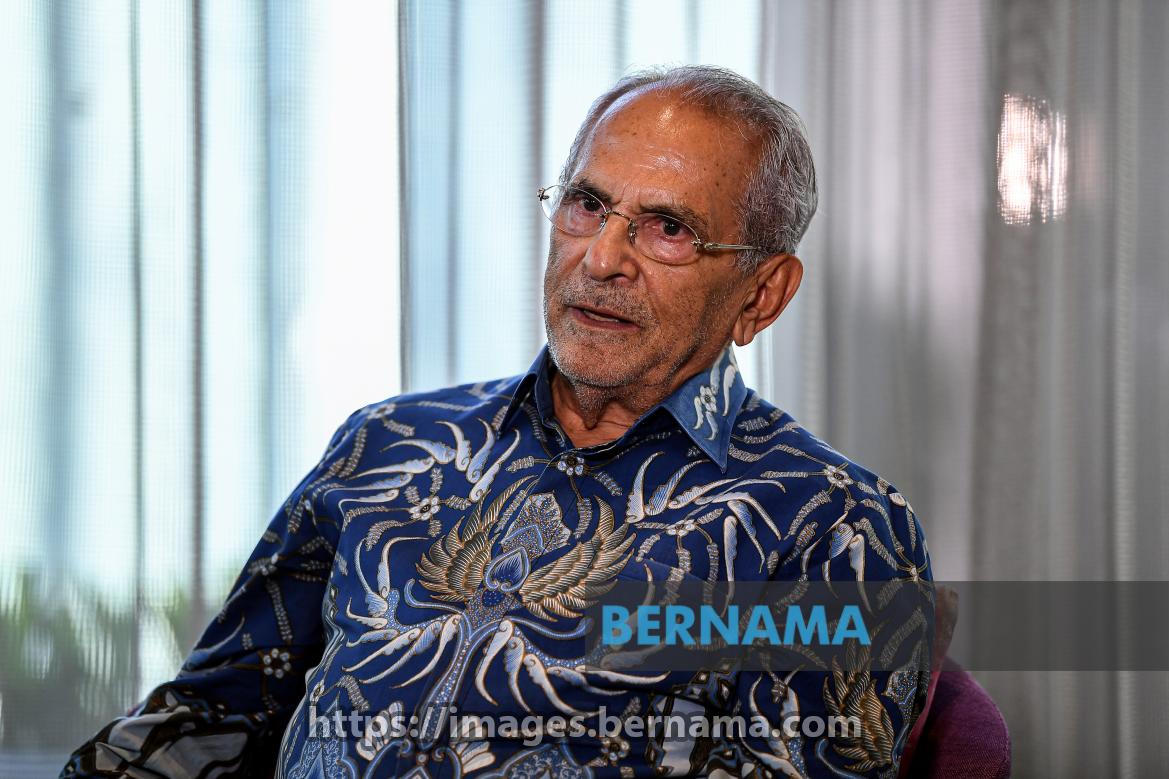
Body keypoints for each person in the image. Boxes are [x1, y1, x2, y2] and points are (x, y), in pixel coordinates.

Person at [63, 65, 932, 778]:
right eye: (586, 205)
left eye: (667, 228)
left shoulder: (831, 523)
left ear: (762, 293)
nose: (601, 258)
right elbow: (210, 715)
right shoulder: (385, 445)